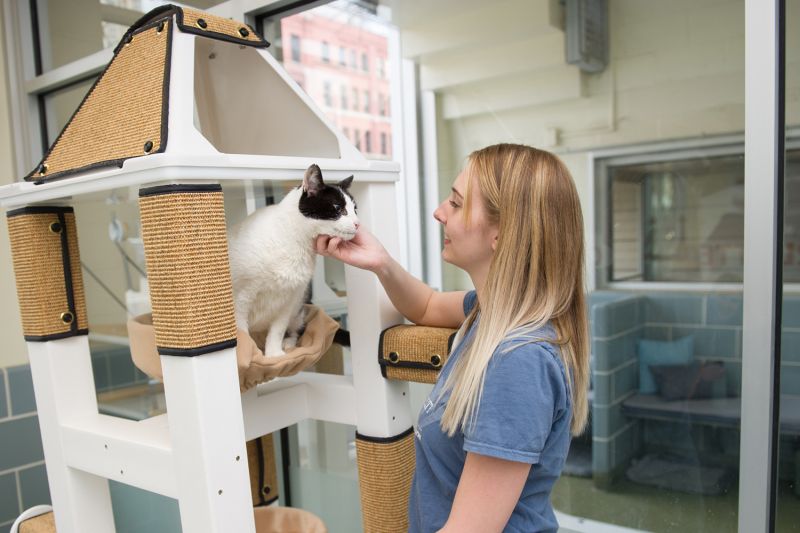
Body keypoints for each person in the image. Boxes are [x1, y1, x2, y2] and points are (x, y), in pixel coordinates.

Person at [315, 143, 589, 533]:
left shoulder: (518, 361)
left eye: (457, 204)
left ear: (502, 234)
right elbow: (425, 306)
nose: (439, 211)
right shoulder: (490, 311)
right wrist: (380, 262)